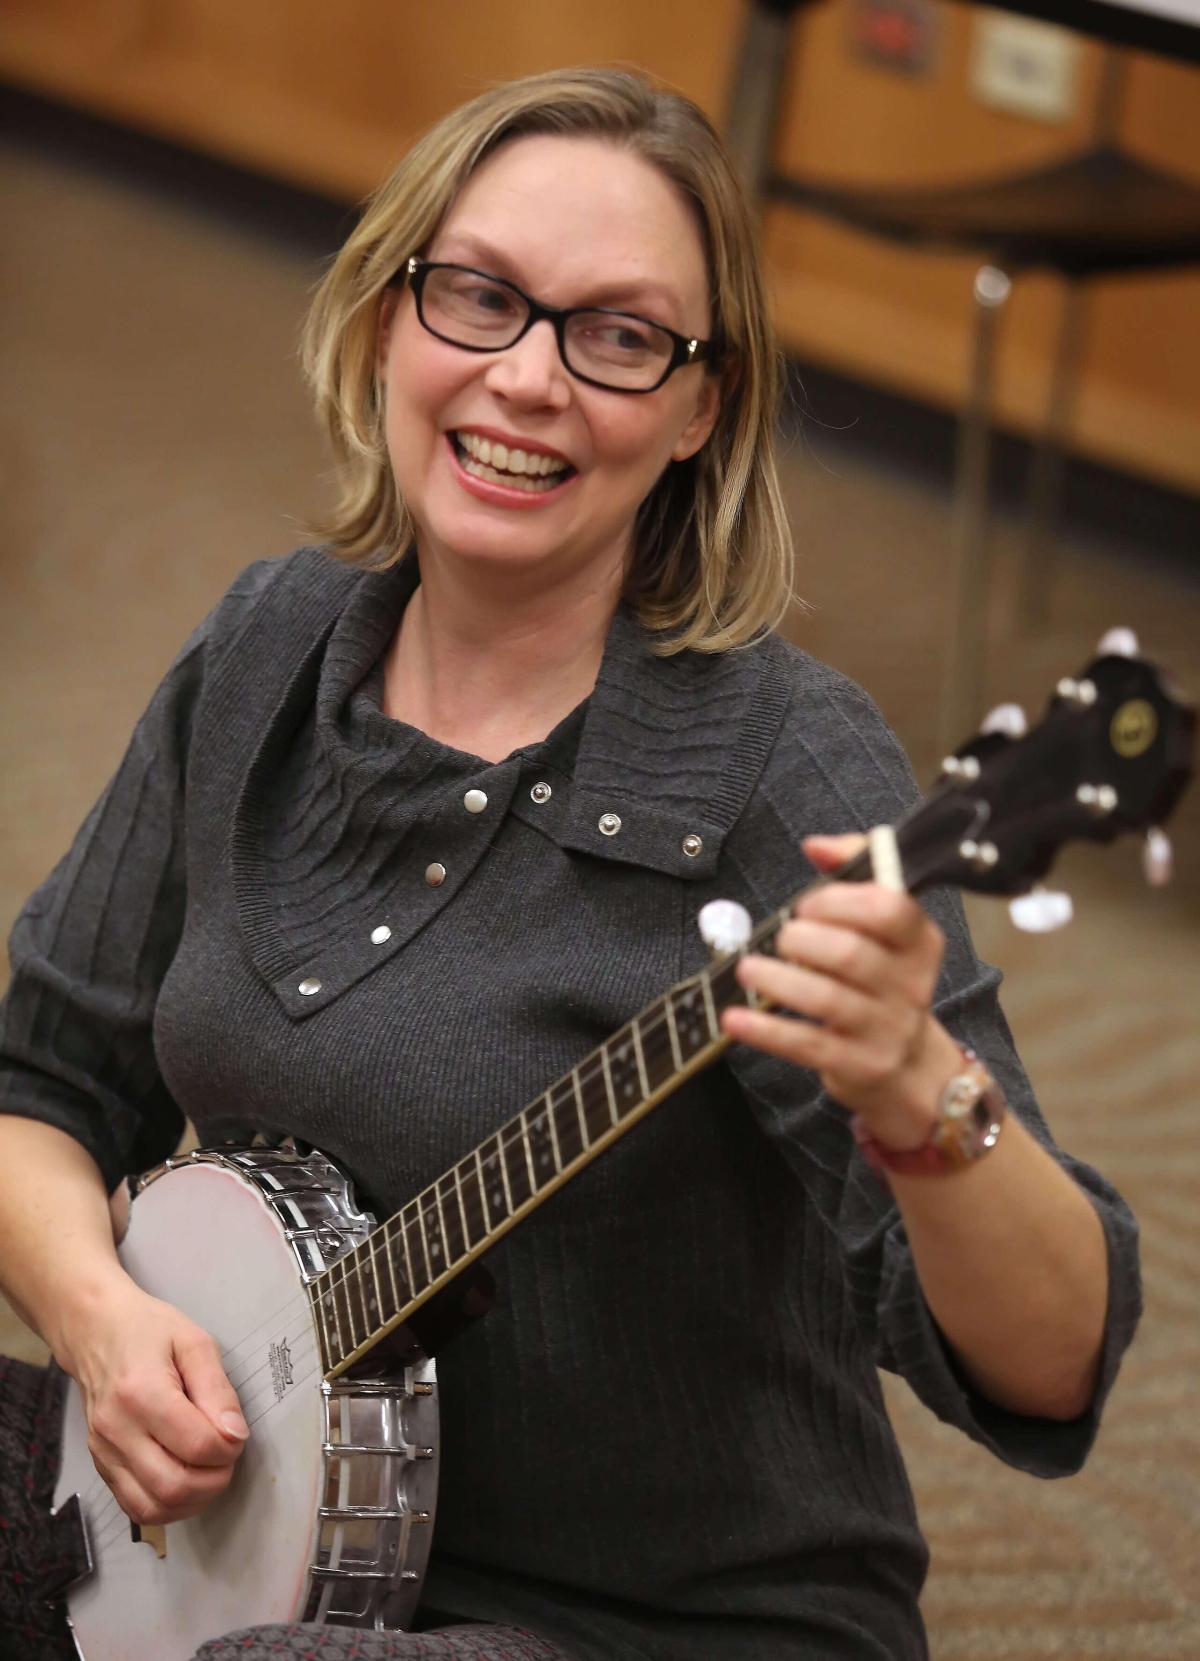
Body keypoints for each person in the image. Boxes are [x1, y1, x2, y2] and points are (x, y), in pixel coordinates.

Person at [0, 65, 1138, 1661]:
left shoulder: (785, 773)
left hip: (667, 1618)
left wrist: (919, 1090)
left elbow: (1054, 1362)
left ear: (699, 408)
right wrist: (103, 1322)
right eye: (479, 297)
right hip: (254, 1519)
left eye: (618, 336)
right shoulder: (267, 646)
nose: (527, 377)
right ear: (388, 318)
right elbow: (39, 1086)